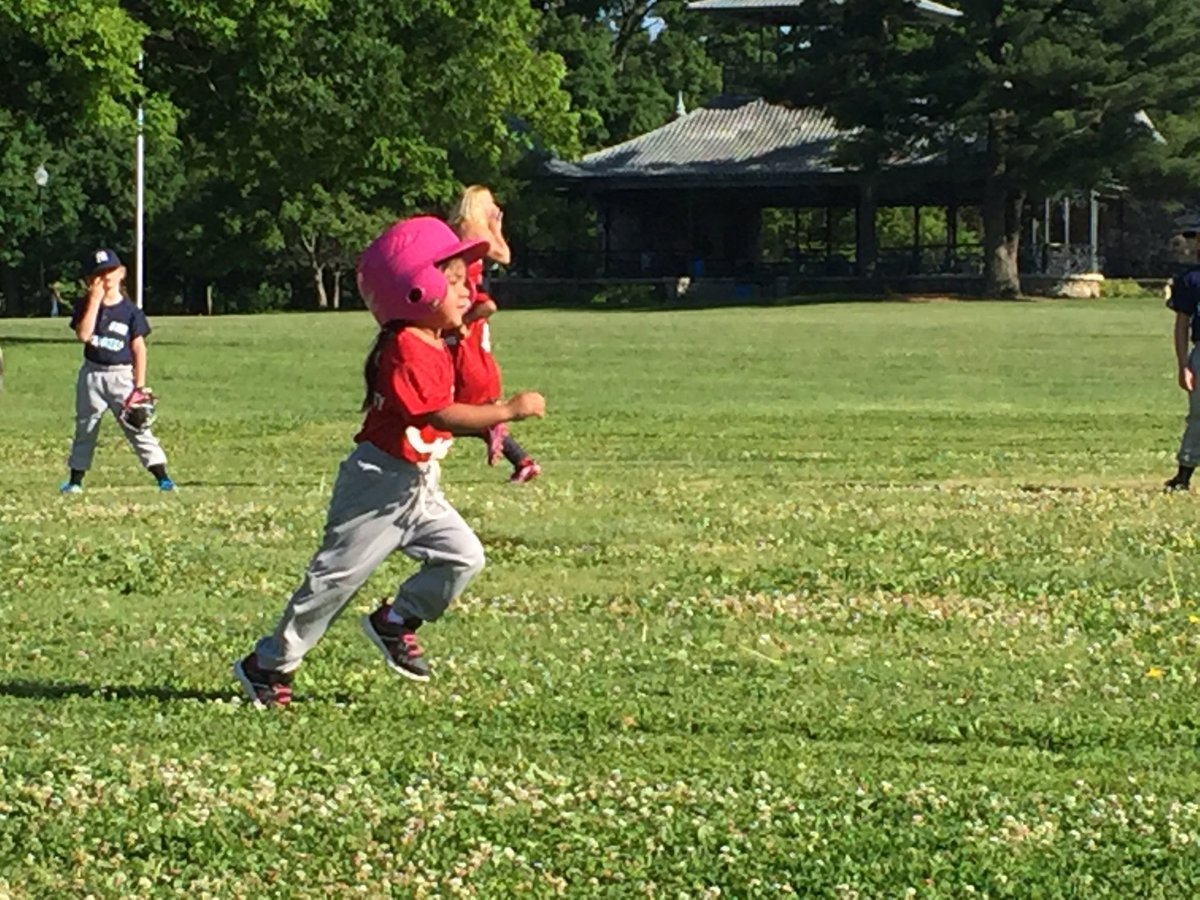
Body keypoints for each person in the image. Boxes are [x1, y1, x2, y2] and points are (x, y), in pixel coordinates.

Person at [233, 217, 547, 708]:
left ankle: (395, 620)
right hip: (377, 488)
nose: (467, 290)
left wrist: (477, 336)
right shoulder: (405, 348)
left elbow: (464, 392)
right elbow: (439, 413)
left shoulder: (434, 339)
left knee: (464, 557)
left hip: (419, 484)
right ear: (415, 290)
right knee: (334, 583)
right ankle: (268, 666)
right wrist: (507, 411)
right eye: (455, 281)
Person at [448, 185, 542, 483]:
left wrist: (495, 227)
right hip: (465, 302)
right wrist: (495, 227)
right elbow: (503, 254)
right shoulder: (471, 227)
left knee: (460, 393)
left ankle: (505, 441)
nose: (494, 209)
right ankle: (512, 448)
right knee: (462, 389)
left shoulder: (462, 226)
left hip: (467, 306)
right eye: (490, 204)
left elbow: (503, 255)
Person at [61, 249, 175, 494]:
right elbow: (83, 335)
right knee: (86, 427)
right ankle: (75, 481)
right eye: (99, 273)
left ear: (122, 273)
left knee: (137, 427)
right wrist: (93, 300)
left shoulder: (130, 311)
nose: (105, 277)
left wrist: (140, 386)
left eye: (110, 271)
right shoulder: (86, 305)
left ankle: (163, 478)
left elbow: (138, 348)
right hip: (92, 374)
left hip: (122, 375)